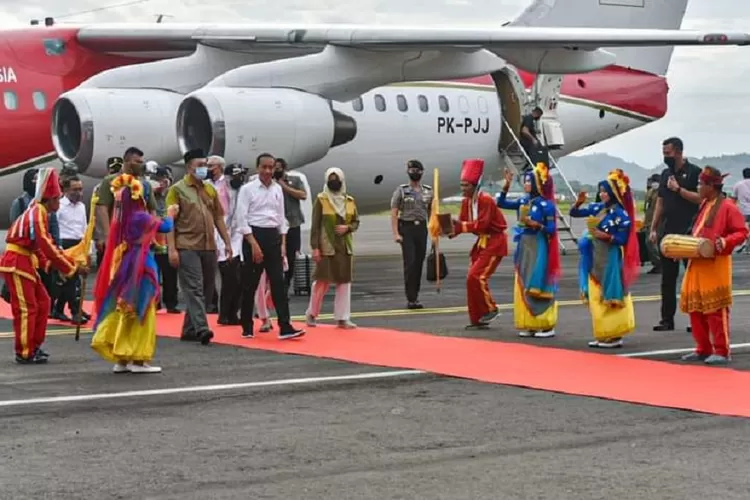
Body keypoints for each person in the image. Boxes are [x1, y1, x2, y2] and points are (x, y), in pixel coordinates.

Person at [0, 168, 84, 364]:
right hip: (17, 262)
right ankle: (25, 351)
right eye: (57, 198)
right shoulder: (38, 212)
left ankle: (34, 345)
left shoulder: (40, 211)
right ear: (50, 199)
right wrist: (70, 268)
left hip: (25, 260)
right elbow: (46, 245)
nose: (59, 202)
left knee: (44, 302)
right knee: (27, 308)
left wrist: (50, 266)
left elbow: (40, 246)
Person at [91, 207, 176, 374]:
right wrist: (171, 214)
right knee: (143, 311)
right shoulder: (141, 217)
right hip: (142, 265)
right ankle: (138, 359)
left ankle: (122, 359)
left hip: (129, 263)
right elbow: (166, 227)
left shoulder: (124, 218)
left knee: (127, 310)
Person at [679, 167, 748, 366]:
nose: (699, 187)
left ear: (711, 187)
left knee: (715, 310)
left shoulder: (727, 207)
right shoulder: (705, 204)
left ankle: (722, 350)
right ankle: (703, 348)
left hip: (715, 263)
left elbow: (742, 232)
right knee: (696, 308)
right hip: (697, 262)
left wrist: (724, 243)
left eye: (701, 184)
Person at [234, 153, 305, 339]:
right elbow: (241, 219)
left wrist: (282, 244)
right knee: (251, 283)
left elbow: (281, 218)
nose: (267, 171)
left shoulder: (277, 190)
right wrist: (254, 244)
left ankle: (285, 325)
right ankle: (247, 325)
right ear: (258, 168)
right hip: (254, 236)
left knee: (278, 282)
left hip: (273, 236)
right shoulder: (248, 189)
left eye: (270, 168)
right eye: (264, 167)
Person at [166, 149, 232, 345]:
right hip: (187, 245)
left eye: (205, 164)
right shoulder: (177, 190)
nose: (203, 169)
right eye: (199, 165)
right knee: (194, 288)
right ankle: (202, 328)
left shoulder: (210, 189)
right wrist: (172, 249)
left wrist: (227, 242)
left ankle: (188, 329)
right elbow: (169, 221)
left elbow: (218, 217)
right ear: (188, 167)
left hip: (209, 245)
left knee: (207, 288)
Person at [570, 169, 640, 349]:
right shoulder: (597, 208)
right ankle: (602, 334)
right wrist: (577, 204)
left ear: (613, 193)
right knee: (596, 297)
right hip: (595, 258)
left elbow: (622, 240)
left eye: (605, 191)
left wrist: (605, 236)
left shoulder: (621, 215)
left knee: (610, 296)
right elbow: (574, 214)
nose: (602, 194)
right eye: (600, 190)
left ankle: (614, 335)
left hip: (610, 257)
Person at [496, 163, 560, 338]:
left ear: (538, 183)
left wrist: (537, 225)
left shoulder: (546, 205)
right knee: (523, 281)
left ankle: (546, 325)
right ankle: (530, 324)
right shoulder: (523, 201)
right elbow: (501, 203)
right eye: (524, 181)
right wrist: (506, 185)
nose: (525, 185)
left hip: (538, 245)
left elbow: (551, 229)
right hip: (524, 244)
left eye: (528, 182)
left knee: (538, 281)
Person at [648, 137, 701, 332]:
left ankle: (695, 320)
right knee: (667, 279)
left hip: (689, 231)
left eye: (668, 153)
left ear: (678, 151)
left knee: (692, 277)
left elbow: (700, 199)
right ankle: (666, 319)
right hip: (668, 232)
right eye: (664, 154)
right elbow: (660, 202)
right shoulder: (665, 174)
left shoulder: (694, 172)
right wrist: (654, 228)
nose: (665, 157)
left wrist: (679, 190)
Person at [449, 158, 508, 329]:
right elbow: (461, 224)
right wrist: (447, 230)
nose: (463, 189)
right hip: (482, 242)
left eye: (466, 185)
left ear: (475, 185)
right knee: (471, 279)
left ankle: (491, 308)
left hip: (494, 241)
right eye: (461, 185)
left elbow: (482, 224)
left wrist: (460, 226)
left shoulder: (486, 200)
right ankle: (477, 318)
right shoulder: (466, 202)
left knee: (477, 276)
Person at [305, 168, 360, 329]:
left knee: (344, 283)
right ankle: (312, 313)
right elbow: (315, 226)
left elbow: (356, 221)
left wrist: (347, 228)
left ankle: (343, 318)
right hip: (326, 246)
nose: (334, 181)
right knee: (321, 281)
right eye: (331, 178)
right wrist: (315, 248)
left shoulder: (349, 200)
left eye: (337, 178)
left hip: (344, 247)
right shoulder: (321, 200)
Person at [390, 159, 433, 309]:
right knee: (410, 262)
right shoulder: (401, 190)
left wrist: (434, 229)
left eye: (417, 171)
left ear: (422, 173)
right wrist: (396, 233)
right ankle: (411, 297)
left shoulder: (428, 191)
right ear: (408, 172)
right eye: (412, 171)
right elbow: (394, 212)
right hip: (406, 228)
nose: (415, 173)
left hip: (421, 229)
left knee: (419, 263)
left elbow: (432, 212)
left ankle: (416, 296)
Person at [53, 176, 89, 324]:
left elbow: (84, 227)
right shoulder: (59, 206)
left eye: (80, 189)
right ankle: (75, 312)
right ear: (66, 190)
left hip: (78, 244)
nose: (79, 193)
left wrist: (88, 247)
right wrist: (58, 248)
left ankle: (59, 309)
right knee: (70, 280)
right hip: (65, 245)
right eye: (75, 189)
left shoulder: (81, 206)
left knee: (73, 280)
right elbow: (54, 228)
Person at [217, 163, 247, 325]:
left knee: (240, 281)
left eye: (241, 176)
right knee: (229, 281)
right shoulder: (220, 193)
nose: (239, 179)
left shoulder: (243, 192)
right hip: (223, 240)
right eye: (236, 176)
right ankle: (224, 313)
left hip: (240, 239)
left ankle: (234, 313)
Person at [273, 158, 307, 292]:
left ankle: (286, 284)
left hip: (292, 223)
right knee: (276, 256)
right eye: (275, 167)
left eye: (279, 167)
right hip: (275, 225)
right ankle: (277, 286)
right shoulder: (269, 184)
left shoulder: (294, 180)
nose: (277, 170)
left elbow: (303, 195)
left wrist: (284, 186)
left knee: (291, 256)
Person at [640, 174, 662, 274]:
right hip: (648, 222)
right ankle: (657, 263)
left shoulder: (661, 194)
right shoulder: (650, 192)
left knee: (652, 243)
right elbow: (647, 209)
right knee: (649, 244)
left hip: (656, 222)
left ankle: (660, 264)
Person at [730, 167, 750, 253]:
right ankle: (747, 245)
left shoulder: (738, 185)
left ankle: (745, 244)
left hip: (744, 211)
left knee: (745, 228)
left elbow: (733, 199)